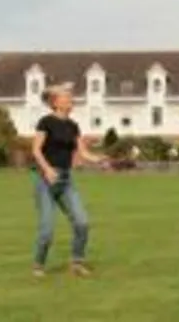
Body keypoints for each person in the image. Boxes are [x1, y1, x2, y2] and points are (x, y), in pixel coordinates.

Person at [31, 82, 107, 278]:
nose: (71, 100)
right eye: (67, 98)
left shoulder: (73, 126)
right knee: (47, 229)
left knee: (82, 223)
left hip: (65, 181)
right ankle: (38, 265)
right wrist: (47, 170)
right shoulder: (45, 122)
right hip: (45, 181)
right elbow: (36, 150)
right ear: (56, 102)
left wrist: (98, 159)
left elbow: (82, 152)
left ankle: (77, 263)